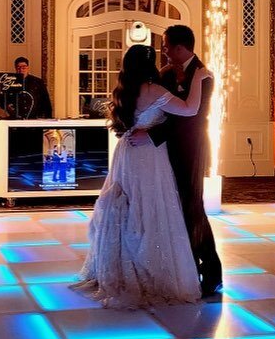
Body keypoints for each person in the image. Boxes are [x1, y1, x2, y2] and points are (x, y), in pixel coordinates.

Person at [73, 44, 212, 308]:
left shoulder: (123, 91)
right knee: (150, 207)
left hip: (126, 152)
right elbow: (190, 109)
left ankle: (120, 268)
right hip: (148, 155)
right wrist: (199, 77)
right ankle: (148, 268)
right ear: (150, 65)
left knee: (127, 204)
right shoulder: (154, 90)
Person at [130, 24, 222, 297]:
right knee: (176, 209)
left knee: (191, 208)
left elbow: (191, 119)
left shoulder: (204, 76)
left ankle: (210, 273)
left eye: (167, 46)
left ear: (181, 47)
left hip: (190, 150)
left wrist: (152, 135)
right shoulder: (167, 73)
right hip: (164, 151)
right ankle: (186, 268)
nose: (165, 51)